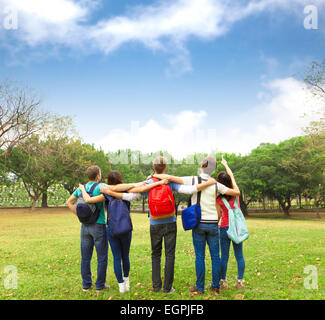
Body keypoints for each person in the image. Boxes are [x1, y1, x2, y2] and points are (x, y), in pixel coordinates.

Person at [153, 156, 240, 294]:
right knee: (215, 256)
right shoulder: (215, 184)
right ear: (213, 169)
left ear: (201, 166)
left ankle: (199, 287)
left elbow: (171, 177)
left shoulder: (193, 179)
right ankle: (215, 286)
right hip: (212, 224)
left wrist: (154, 175)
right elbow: (236, 192)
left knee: (200, 256)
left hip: (198, 223)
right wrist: (232, 178)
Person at [79, 170, 168, 293]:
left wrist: (83, 189)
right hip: (125, 228)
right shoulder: (127, 191)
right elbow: (142, 189)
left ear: (109, 181)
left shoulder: (105, 193)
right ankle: (126, 282)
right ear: (120, 179)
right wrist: (155, 182)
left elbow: (88, 200)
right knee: (125, 256)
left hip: (112, 229)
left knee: (116, 257)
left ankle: (121, 286)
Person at [143, 156, 218, 294]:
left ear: (154, 167)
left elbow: (135, 192)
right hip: (170, 222)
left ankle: (156, 286)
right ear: (165, 167)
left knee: (155, 254)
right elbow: (189, 190)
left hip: (154, 222)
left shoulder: (148, 181)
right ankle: (167, 288)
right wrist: (208, 183)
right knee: (170, 255)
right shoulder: (170, 182)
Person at [66, 165, 109, 292]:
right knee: (102, 257)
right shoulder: (102, 187)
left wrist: (79, 215)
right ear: (98, 176)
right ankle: (100, 285)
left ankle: (86, 285)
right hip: (99, 225)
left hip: (84, 226)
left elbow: (69, 202)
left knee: (86, 257)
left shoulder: (81, 188)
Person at [216, 157, 245, 290]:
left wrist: (215, 225)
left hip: (225, 228)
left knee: (224, 256)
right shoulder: (236, 193)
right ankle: (240, 281)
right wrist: (226, 165)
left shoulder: (219, 198)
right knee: (239, 255)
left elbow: (218, 216)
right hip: (237, 228)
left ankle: (223, 282)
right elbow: (232, 177)